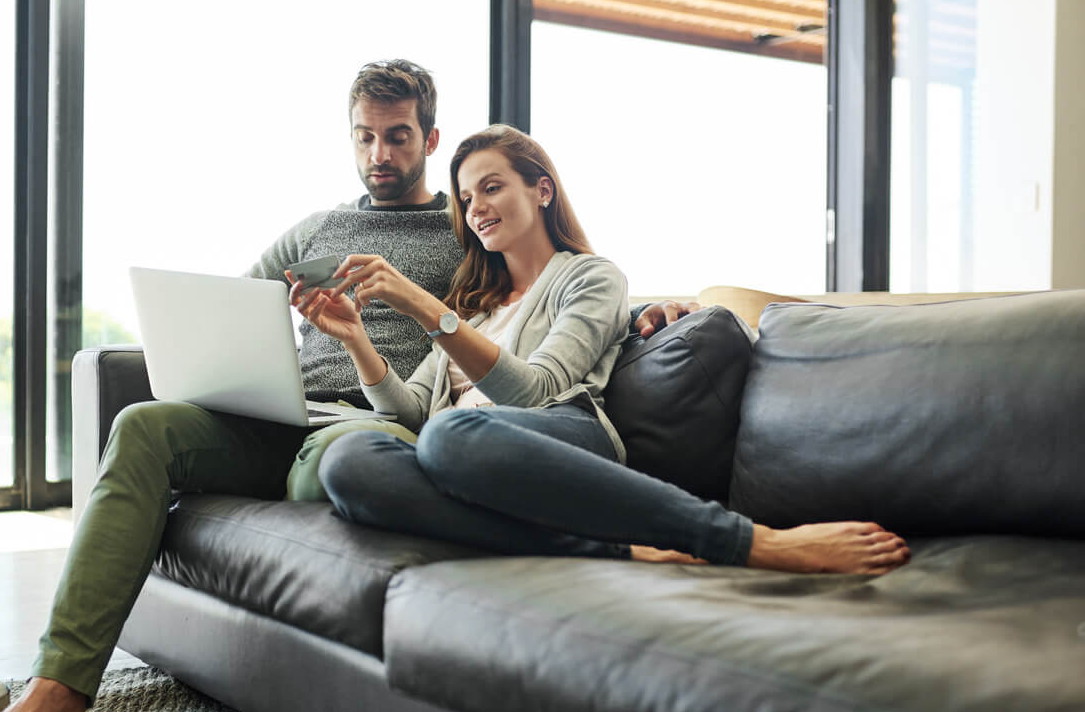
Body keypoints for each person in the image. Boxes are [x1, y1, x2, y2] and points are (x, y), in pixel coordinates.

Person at [0, 60, 462, 712]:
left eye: (397, 138)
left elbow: (554, 278)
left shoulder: (464, 230)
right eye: (365, 138)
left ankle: (53, 701)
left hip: (372, 428)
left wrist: (660, 310)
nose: (379, 156)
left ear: (431, 137)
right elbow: (233, 311)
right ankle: (57, 698)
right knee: (144, 426)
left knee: (338, 461)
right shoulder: (318, 228)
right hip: (286, 418)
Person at [308, 124, 912, 576]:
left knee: (450, 438)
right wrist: (356, 339)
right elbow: (410, 412)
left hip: (559, 432)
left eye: (491, 187)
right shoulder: (479, 308)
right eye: (467, 198)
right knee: (349, 461)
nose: (477, 207)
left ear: (541, 190)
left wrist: (422, 306)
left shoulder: (591, 277)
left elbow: (539, 391)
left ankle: (752, 542)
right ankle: (612, 549)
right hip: (467, 451)